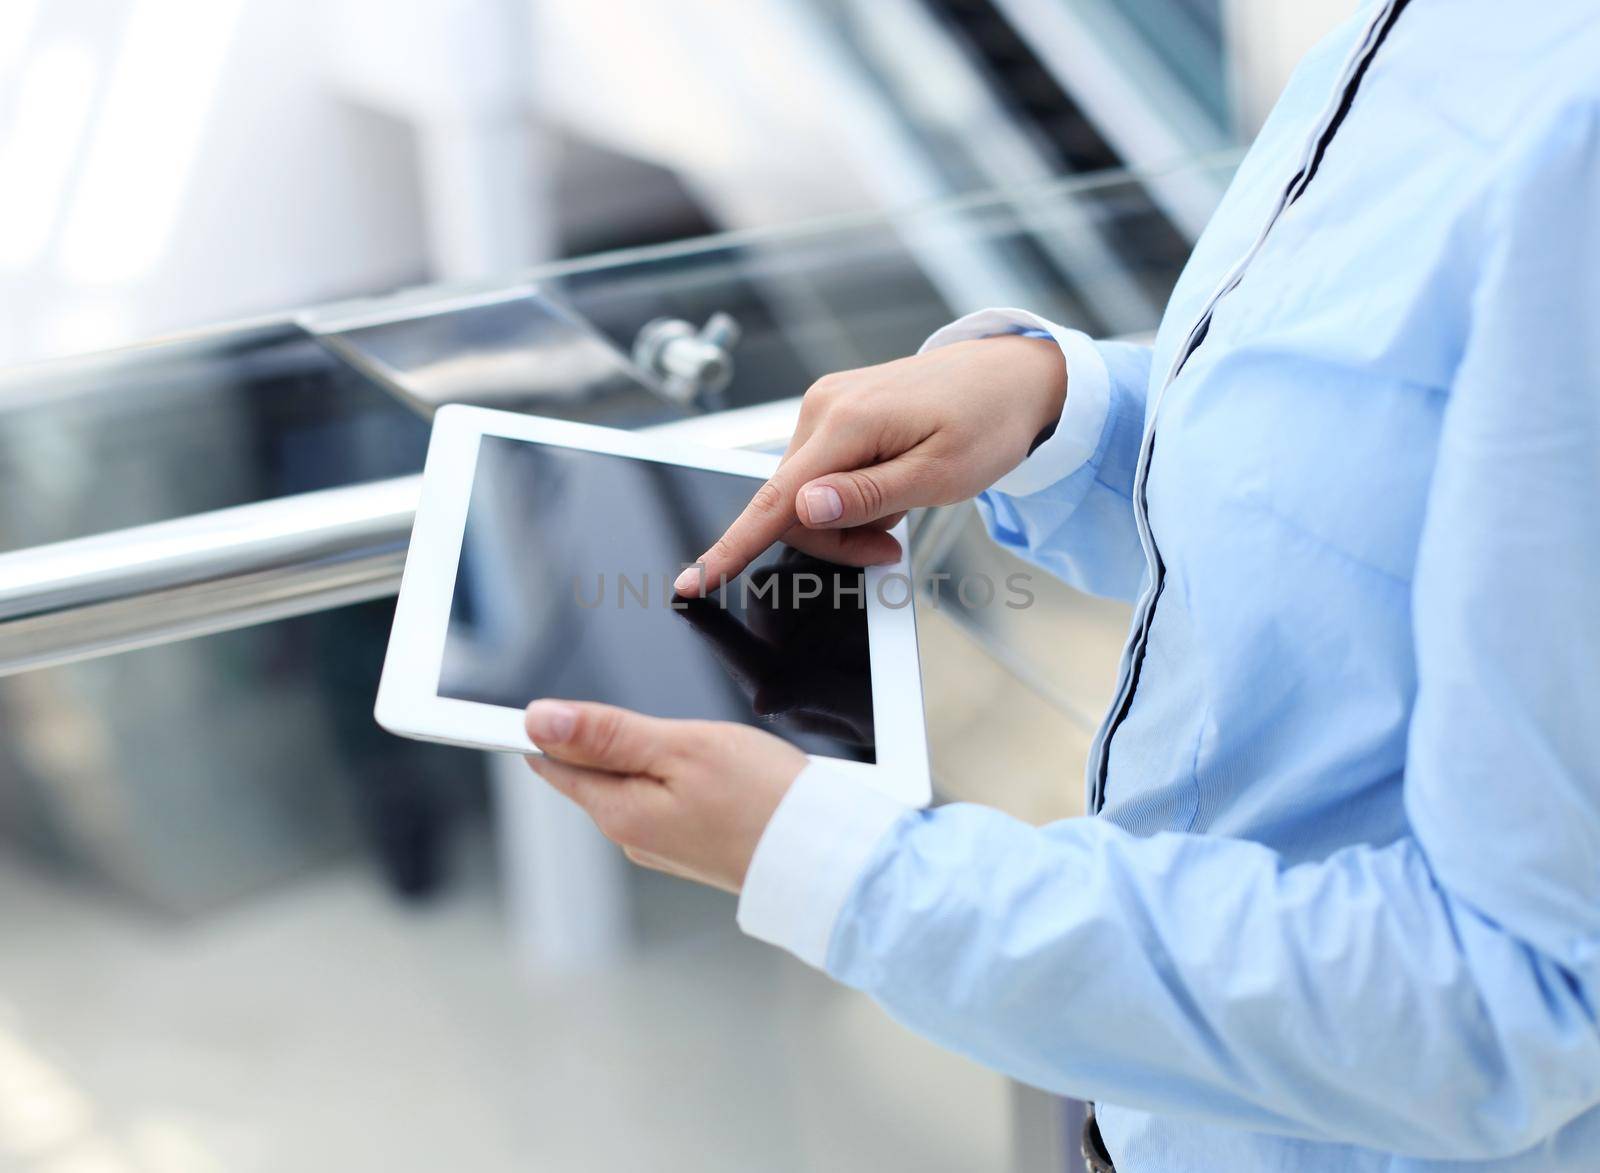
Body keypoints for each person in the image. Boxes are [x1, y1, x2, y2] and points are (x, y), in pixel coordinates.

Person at [521, 1, 1600, 1168]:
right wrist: (1064, 412)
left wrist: (841, 869)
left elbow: (1516, 1005)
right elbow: (1372, 523)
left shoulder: (1573, 142)